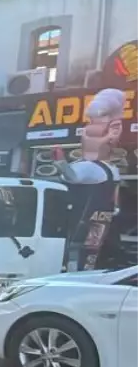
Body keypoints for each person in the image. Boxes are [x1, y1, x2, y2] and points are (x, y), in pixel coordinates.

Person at [60, 88, 125, 271]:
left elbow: (71, 176)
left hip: (98, 222)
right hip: (94, 222)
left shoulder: (105, 168)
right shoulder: (93, 168)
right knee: (90, 256)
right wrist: (61, 163)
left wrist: (60, 164)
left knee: (92, 255)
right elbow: (72, 176)